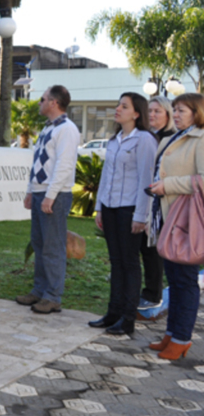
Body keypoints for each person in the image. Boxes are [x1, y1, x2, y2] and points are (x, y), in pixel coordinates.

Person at [90, 93, 157, 336]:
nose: (118, 109)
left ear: (136, 113)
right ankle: (113, 313)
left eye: (124, 106)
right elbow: (105, 177)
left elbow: (147, 180)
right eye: (118, 104)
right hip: (110, 208)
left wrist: (141, 215)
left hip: (130, 210)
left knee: (129, 264)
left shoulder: (145, 140)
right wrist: (99, 207)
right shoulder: (114, 140)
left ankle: (128, 319)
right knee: (116, 263)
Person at [147, 92, 204, 359]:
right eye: (176, 110)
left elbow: (202, 180)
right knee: (175, 279)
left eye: (181, 110)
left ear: (196, 111)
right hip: (168, 215)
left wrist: (167, 185)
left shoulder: (201, 139)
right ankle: (171, 334)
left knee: (185, 281)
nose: (176, 114)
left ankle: (181, 338)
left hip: (187, 220)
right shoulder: (176, 136)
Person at [17, 85, 80, 314]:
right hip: (40, 192)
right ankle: (40, 290)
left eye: (43, 99)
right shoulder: (47, 129)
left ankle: (53, 296)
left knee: (53, 247)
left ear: (54, 102)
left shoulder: (67, 129)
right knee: (39, 243)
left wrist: (50, 196)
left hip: (56, 194)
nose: (39, 102)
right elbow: (38, 163)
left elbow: (64, 166)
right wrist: (31, 190)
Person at [139, 95, 177, 313]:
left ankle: (153, 294)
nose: (152, 115)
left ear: (168, 114)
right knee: (147, 248)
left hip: (163, 204)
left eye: (157, 111)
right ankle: (149, 291)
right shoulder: (150, 136)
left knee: (154, 250)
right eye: (150, 111)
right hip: (148, 201)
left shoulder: (171, 138)